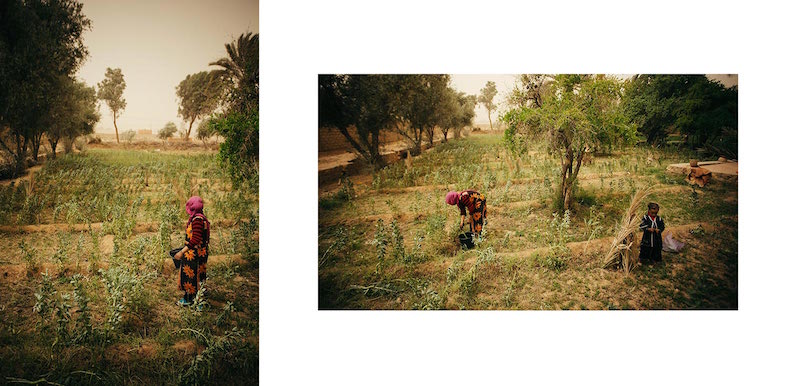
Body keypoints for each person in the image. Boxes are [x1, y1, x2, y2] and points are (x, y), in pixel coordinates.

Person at [174, 196, 211, 306]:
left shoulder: (197, 220)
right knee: (198, 275)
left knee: (191, 276)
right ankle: (195, 299)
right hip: (200, 253)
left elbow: (195, 239)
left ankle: (192, 301)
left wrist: (181, 252)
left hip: (194, 254)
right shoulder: (201, 218)